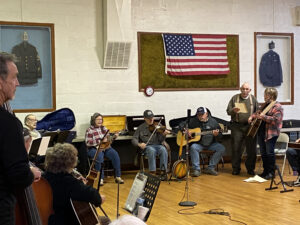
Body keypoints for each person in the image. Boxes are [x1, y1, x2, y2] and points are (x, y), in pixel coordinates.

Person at [0, 53, 41, 224]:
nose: (18, 83)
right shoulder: (8, 123)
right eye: (14, 77)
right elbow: (18, 176)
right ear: (1, 82)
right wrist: (29, 170)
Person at [43, 143, 109, 225]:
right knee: (106, 220)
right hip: (66, 221)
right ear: (70, 162)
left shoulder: (43, 179)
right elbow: (93, 195)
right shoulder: (70, 183)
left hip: (47, 221)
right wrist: (99, 199)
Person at [180, 107, 225, 176]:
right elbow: (181, 125)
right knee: (193, 147)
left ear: (206, 114)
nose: (200, 116)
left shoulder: (213, 122)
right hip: (199, 144)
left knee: (221, 148)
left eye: (202, 114)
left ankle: (210, 168)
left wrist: (217, 135)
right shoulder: (193, 121)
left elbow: (220, 135)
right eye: (198, 115)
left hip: (211, 144)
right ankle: (196, 169)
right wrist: (185, 130)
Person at [249, 87, 283, 180]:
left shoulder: (277, 106)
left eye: (265, 94)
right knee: (263, 153)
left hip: (271, 133)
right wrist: (252, 117)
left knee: (269, 153)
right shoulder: (265, 105)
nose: (264, 96)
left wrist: (263, 117)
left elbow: (276, 120)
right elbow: (257, 113)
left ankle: (271, 173)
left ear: (271, 96)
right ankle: (265, 171)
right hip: (261, 131)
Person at [226, 82, 259, 175]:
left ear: (250, 90)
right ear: (240, 89)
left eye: (247, 89)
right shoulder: (234, 98)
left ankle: (250, 169)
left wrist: (252, 117)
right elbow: (228, 111)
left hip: (250, 127)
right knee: (236, 148)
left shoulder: (253, 99)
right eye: (243, 89)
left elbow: (258, 112)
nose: (245, 91)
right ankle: (236, 168)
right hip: (237, 126)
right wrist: (233, 110)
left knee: (251, 149)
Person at [85, 113, 124, 185]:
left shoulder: (104, 128)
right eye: (98, 119)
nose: (100, 121)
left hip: (105, 148)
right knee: (99, 156)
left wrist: (114, 137)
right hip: (93, 149)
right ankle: (100, 178)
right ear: (94, 120)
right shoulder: (90, 130)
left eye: (101, 119)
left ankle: (118, 176)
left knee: (115, 154)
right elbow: (88, 142)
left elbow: (109, 141)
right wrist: (99, 142)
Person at [131, 110, 169, 179]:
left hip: (158, 145)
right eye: (149, 118)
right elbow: (134, 139)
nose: (151, 119)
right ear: (144, 118)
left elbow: (161, 140)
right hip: (147, 147)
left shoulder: (158, 126)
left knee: (163, 149)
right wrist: (139, 144)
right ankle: (152, 172)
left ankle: (163, 172)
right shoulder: (140, 128)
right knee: (151, 150)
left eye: (152, 117)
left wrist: (163, 135)